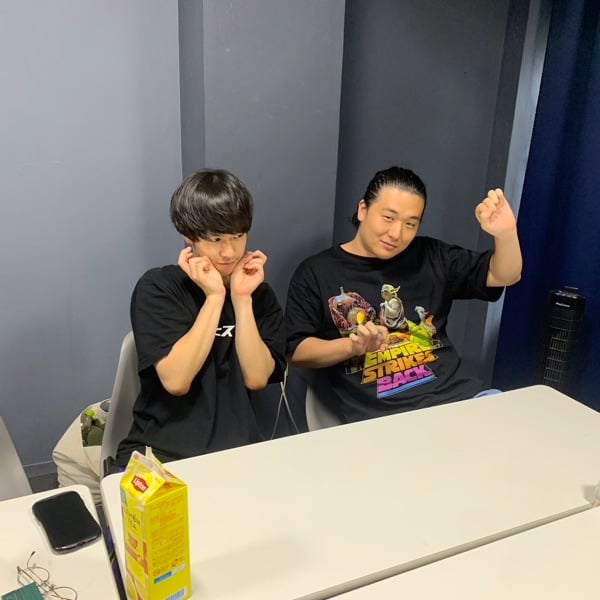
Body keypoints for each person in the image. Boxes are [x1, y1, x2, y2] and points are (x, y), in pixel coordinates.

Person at [285, 166, 522, 422]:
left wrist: (506, 234)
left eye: (410, 224)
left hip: (460, 400)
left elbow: (504, 275)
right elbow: (296, 350)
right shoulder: (317, 272)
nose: (396, 234)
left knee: (519, 428)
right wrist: (352, 346)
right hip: (386, 419)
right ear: (363, 210)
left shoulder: (432, 256)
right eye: (388, 218)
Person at [115, 169, 286, 466]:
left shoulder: (257, 294)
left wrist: (241, 299)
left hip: (239, 451)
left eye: (238, 236)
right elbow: (176, 380)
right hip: (162, 453)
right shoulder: (159, 288)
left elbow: (257, 378)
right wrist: (215, 297)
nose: (229, 251)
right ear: (189, 236)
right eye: (216, 238)